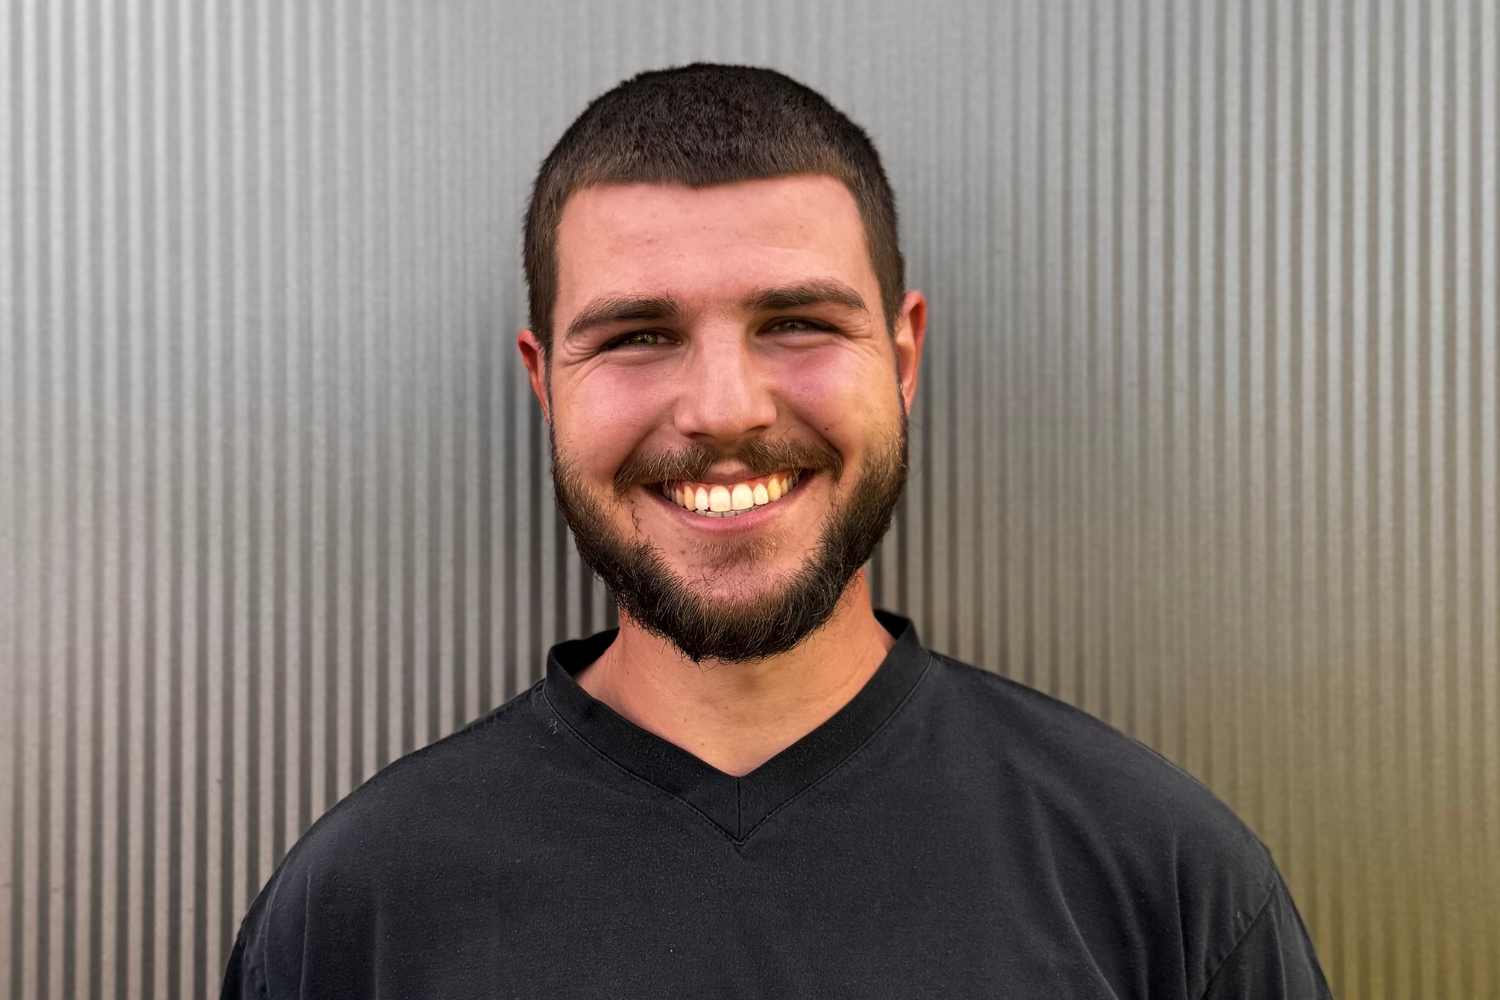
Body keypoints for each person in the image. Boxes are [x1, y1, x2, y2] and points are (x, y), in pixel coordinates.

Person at [222, 63, 1331, 999]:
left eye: (795, 322)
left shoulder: (1159, 881)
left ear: (903, 356)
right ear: (544, 382)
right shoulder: (361, 912)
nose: (724, 410)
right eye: (638, 335)